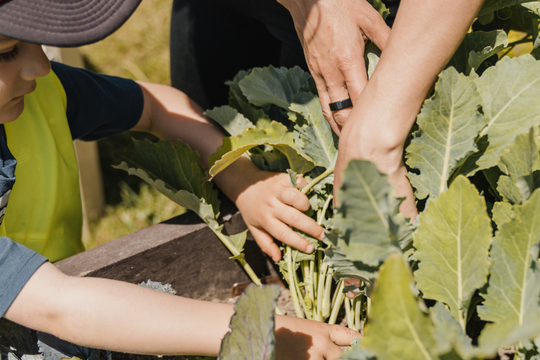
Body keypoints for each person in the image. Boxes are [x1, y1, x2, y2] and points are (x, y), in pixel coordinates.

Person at [0, 0, 358, 358]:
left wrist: (243, 179)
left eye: (38, 43)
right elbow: (59, 307)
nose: (41, 66)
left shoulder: (45, 95)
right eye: (7, 52)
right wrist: (258, 331)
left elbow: (158, 106)